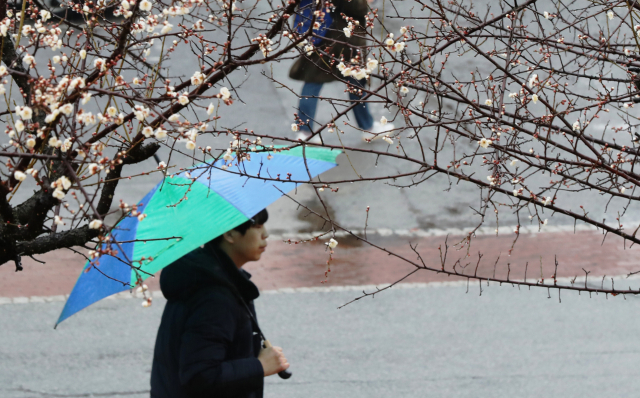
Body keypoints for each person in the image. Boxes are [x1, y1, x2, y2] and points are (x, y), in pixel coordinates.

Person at [150, 209, 288, 398]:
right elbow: (199, 376)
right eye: (256, 226)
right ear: (229, 234)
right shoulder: (213, 298)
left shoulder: (210, 277)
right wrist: (260, 366)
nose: (265, 234)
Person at [288, 0, 394, 142]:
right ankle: (367, 127)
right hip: (342, 35)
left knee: (314, 80)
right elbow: (356, 7)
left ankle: (304, 131)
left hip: (320, 30)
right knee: (356, 82)